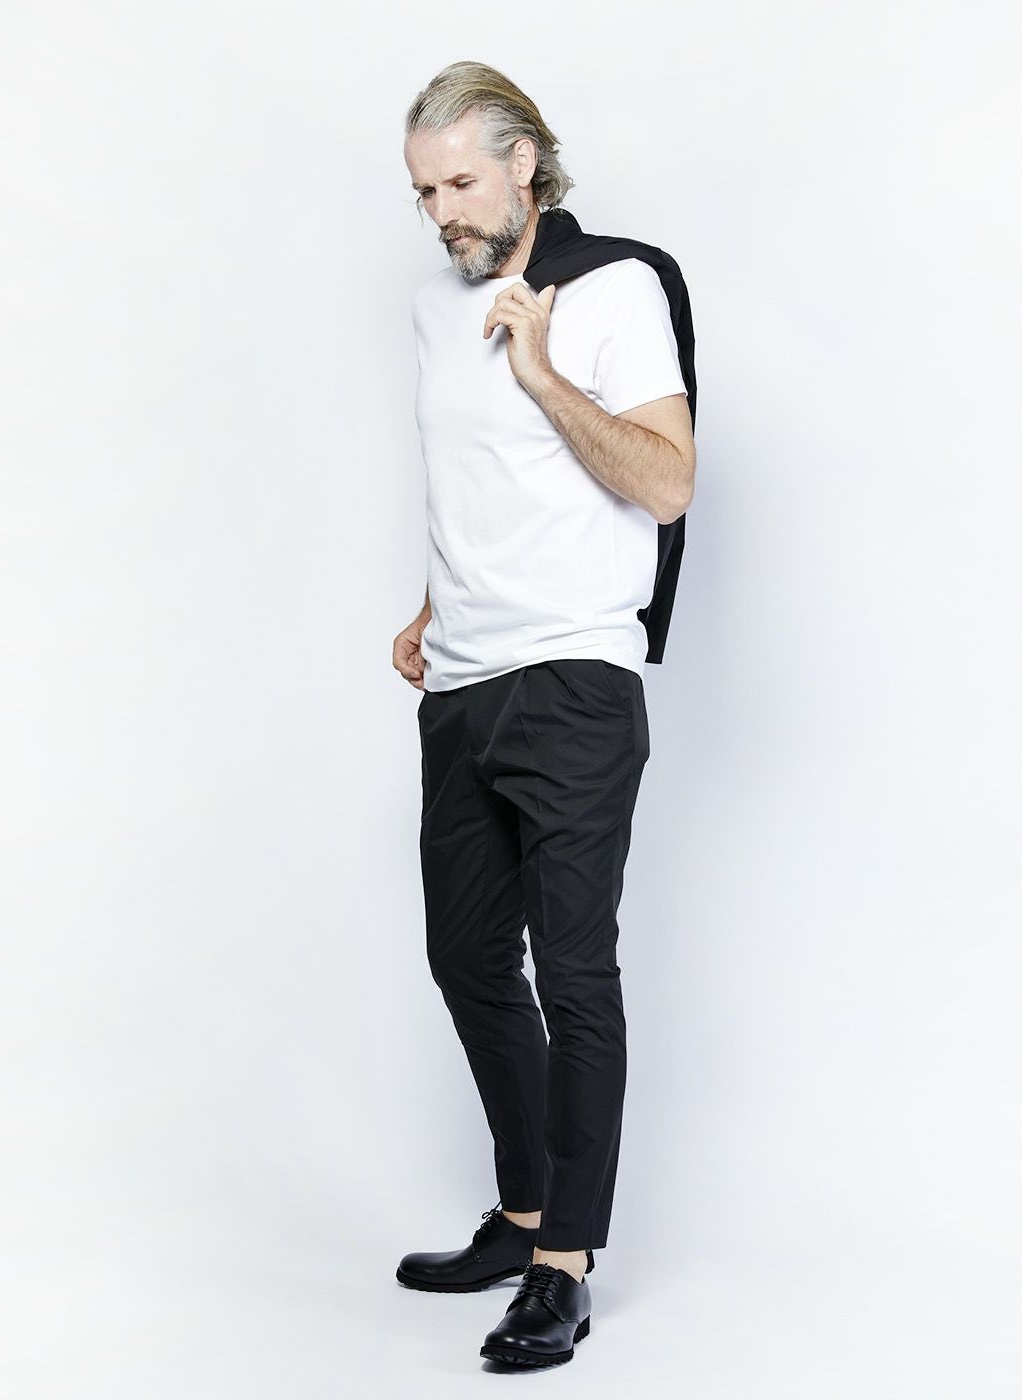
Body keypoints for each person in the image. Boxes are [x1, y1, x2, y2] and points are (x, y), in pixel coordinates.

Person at [392, 61, 695, 1369]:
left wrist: (543, 372)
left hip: (574, 679)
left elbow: (667, 484)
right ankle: (521, 1213)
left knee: (573, 972)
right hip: (462, 680)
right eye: (423, 193)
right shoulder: (431, 307)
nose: (443, 212)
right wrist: (431, 605)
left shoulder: (618, 285)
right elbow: (479, 485)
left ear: (525, 162)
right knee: (467, 958)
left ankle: (564, 1262)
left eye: (461, 183)